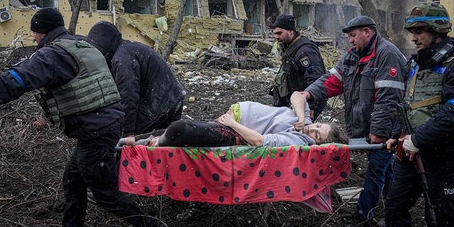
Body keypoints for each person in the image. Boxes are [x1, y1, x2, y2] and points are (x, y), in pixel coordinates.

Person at [0, 8, 163, 227]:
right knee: (73, 179)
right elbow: (79, 89)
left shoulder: (52, 55)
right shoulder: (82, 46)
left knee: (106, 194)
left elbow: (11, 82)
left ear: (43, 32)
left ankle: (152, 225)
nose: (33, 37)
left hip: (96, 131)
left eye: (35, 32)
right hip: (104, 125)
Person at [300, 15, 407, 226]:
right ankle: (395, 205)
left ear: (367, 32)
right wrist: (308, 94)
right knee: (385, 168)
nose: (350, 40)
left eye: (353, 35)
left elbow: (388, 99)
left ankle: (363, 215)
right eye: (349, 36)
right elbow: (332, 80)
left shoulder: (387, 54)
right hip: (365, 126)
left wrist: (379, 132)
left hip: (385, 128)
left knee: (376, 170)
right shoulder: (352, 55)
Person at [384, 3, 454, 227]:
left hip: (443, 152)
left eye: (419, 32)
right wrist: (394, 134)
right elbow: (409, 104)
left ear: (437, 30)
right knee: (394, 207)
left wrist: (418, 140)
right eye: (412, 32)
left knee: (440, 217)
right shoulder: (417, 64)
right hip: (409, 149)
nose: (414, 38)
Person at [124, 92, 347, 147]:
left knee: (178, 129)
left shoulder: (298, 141)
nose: (312, 130)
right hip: (234, 118)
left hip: (235, 131)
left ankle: (145, 144)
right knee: (174, 128)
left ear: (316, 144)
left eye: (317, 135)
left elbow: (260, 141)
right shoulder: (304, 121)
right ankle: (130, 140)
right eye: (317, 126)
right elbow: (297, 95)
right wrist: (301, 116)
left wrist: (232, 124)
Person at [86, 21, 186, 136]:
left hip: (161, 102)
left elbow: (128, 96)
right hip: (171, 98)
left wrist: (128, 132)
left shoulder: (122, 59)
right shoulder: (126, 49)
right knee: (162, 144)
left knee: (124, 140)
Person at [269, 14, 327, 120]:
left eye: (279, 33)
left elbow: (315, 79)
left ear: (291, 31)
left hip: (305, 103)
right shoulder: (290, 48)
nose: (276, 37)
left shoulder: (305, 51)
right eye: (275, 34)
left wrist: (310, 106)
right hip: (295, 101)